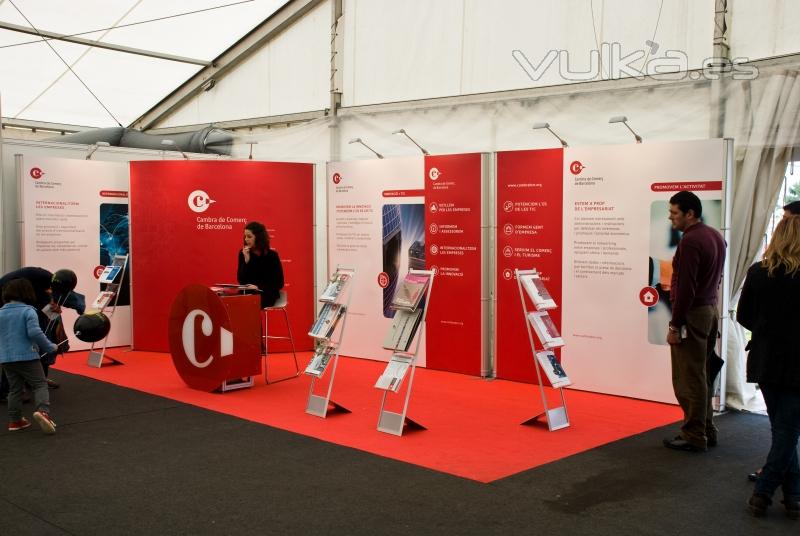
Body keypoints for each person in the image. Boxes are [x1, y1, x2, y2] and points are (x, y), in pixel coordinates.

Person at [737, 216, 800, 518]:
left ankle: (794, 496)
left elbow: (744, 316)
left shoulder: (758, 272)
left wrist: (766, 331)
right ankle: (763, 492)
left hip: (766, 359)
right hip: (797, 363)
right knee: (787, 431)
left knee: (783, 430)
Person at [662, 191, 726, 452]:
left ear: (690, 214)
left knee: (689, 377)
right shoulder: (715, 236)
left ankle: (694, 434)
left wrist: (675, 325)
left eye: (674, 213)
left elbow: (686, 288)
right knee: (703, 373)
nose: (670, 218)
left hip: (693, 314)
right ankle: (706, 429)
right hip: (709, 310)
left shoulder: (690, 241)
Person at [0, 267, 84, 399]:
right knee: (17, 344)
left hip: (25, 298)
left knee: (48, 329)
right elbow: (36, 328)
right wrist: (81, 309)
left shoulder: (50, 282)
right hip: (6, 298)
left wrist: (79, 309)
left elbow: (62, 298)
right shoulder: (36, 285)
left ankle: (36, 379)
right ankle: (6, 390)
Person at [0, 278, 58, 434]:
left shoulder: (1, 312)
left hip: (6, 359)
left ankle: (15, 421)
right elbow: (34, 332)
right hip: (27, 356)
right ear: (27, 293)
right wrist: (50, 346)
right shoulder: (28, 310)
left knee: (14, 390)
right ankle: (43, 412)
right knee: (40, 384)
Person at [237, 221, 284, 308]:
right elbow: (241, 281)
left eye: (249, 237)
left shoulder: (272, 255)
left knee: (249, 304)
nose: (246, 239)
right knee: (233, 302)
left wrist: (258, 287)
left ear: (259, 237)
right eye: (245, 237)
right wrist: (246, 261)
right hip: (248, 294)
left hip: (266, 294)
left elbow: (279, 283)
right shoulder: (243, 253)